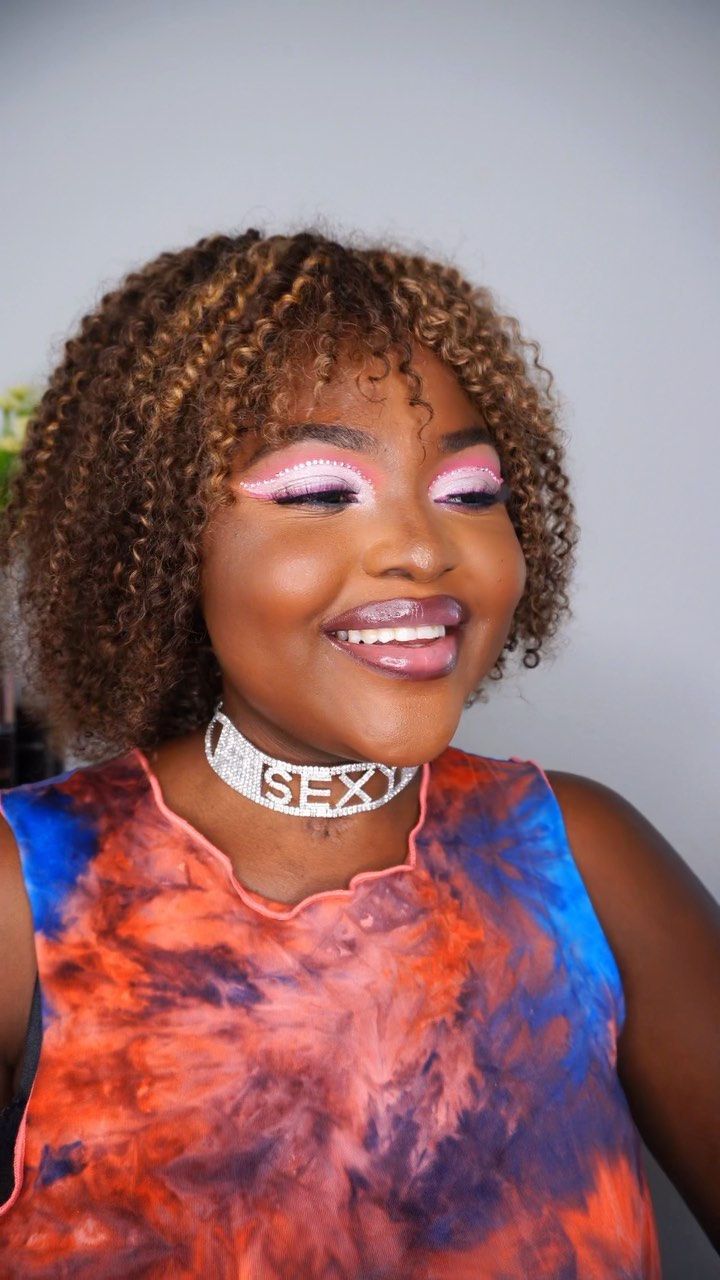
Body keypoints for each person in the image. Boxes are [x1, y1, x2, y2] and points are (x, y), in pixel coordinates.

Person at [0, 229, 717, 1278]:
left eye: (470, 492)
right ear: (157, 540)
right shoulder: (25, 887)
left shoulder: (584, 853)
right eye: (320, 493)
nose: (423, 548)